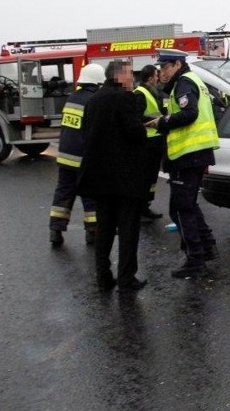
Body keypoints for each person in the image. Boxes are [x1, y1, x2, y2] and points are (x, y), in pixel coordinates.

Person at [77, 60, 150, 292]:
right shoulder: (125, 98)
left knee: (105, 229)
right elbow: (135, 133)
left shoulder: (93, 101)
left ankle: (103, 277)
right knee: (128, 229)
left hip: (98, 177)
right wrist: (143, 127)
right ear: (119, 76)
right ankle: (127, 279)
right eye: (130, 75)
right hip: (125, 179)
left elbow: (86, 135)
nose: (132, 79)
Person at [147, 49, 220, 278]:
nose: (162, 73)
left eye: (165, 67)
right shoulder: (194, 81)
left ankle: (195, 259)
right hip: (197, 153)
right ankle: (207, 247)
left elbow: (190, 113)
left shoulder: (184, 83)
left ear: (177, 64)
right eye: (160, 69)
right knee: (188, 204)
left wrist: (162, 121)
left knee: (179, 208)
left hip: (188, 155)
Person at [48, 63, 106, 247]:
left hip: (65, 156)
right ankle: (93, 233)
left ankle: (55, 231)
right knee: (91, 196)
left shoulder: (72, 98)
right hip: (83, 158)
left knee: (63, 194)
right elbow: (96, 132)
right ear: (97, 83)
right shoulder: (93, 101)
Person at [134, 64, 166, 221]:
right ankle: (140, 207)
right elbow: (136, 117)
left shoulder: (153, 92)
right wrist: (154, 121)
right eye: (156, 75)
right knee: (145, 176)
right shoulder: (140, 94)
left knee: (152, 175)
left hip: (155, 140)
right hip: (146, 142)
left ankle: (146, 205)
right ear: (150, 78)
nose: (158, 78)